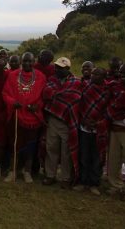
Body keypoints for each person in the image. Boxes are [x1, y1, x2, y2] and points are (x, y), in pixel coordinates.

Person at [2, 52, 46, 183]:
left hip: (33, 117)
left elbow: (43, 97)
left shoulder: (41, 77)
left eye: (30, 61)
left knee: (30, 146)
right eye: (25, 61)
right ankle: (12, 171)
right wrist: (12, 102)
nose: (27, 64)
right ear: (21, 62)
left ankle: (27, 171)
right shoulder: (13, 75)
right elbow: (5, 93)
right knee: (15, 144)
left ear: (34, 62)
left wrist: (37, 106)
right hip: (17, 115)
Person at [42, 57, 82, 188]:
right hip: (53, 118)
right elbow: (46, 93)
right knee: (51, 148)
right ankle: (50, 175)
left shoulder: (76, 82)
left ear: (68, 69)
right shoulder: (51, 80)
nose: (57, 70)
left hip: (68, 121)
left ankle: (66, 178)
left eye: (61, 68)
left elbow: (75, 98)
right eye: (57, 67)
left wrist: (57, 94)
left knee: (66, 151)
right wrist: (61, 94)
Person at [74, 67, 109, 196]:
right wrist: (83, 119)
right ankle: (82, 182)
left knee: (96, 157)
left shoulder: (107, 91)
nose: (93, 75)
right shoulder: (86, 87)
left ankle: (94, 183)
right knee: (83, 156)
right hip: (84, 127)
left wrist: (97, 123)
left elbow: (108, 111)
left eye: (97, 74)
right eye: (93, 73)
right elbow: (80, 105)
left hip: (98, 130)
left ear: (104, 77)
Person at [106, 63, 125, 202]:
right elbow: (110, 103)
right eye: (121, 72)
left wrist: (115, 109)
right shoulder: (114, 87)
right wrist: (114, 110)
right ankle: (115, 186)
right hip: (115, 127)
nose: (122, 75)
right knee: (113, 160)